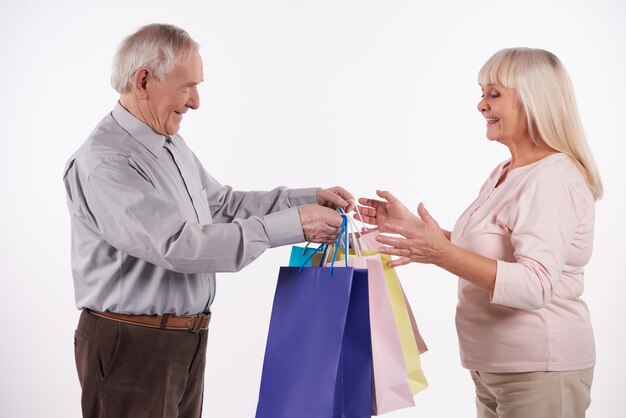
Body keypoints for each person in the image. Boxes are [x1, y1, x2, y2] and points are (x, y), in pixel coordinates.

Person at [63, 23, 354, 418]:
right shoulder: (107, 161)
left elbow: (222, 206)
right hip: (132, 347)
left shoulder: (167, 142)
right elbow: (181, 246)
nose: (196, 102)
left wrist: (307, 199)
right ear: (144, 80)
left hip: (183, 341)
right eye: (187, 87)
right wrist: (296, 225)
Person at [356, 47, 602, 418]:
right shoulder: (508, 171)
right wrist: (420, 231)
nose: (481, 106)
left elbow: (535, 285)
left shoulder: (551, 179)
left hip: (540, 369)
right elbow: (492, 249)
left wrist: (440, 253)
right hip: (495, 369)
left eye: (494, 94)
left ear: (534, 101)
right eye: (481, 93)